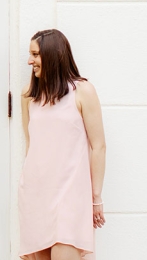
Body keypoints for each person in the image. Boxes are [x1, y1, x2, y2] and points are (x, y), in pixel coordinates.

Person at [18, 29, 106, 260]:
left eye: (35, 54)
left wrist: (96, 198)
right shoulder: (29, 96)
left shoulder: (83, 91)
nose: (29, 61)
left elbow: (98, 146)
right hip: (36, 194)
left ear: (52, 55)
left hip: (70, 195)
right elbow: (31, 146)